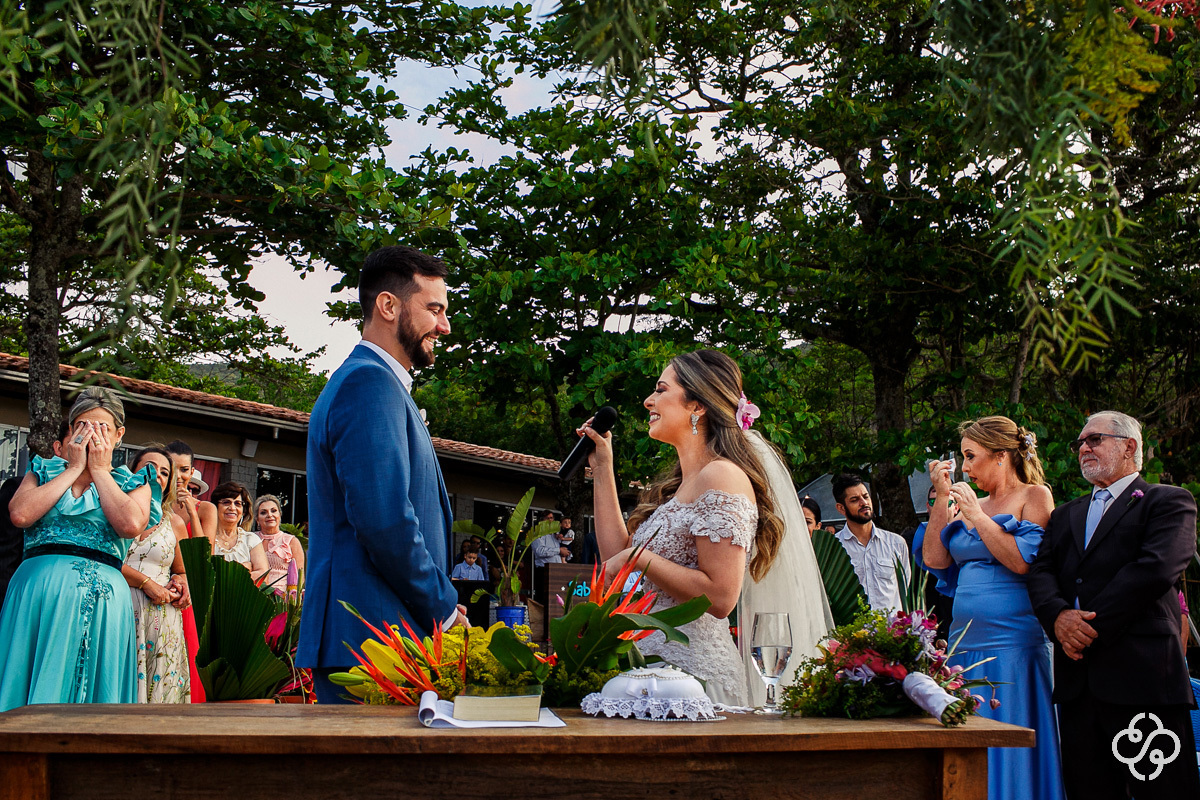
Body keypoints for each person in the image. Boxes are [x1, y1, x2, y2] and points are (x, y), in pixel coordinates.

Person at [581, 349, 832, 706]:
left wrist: (638, 558)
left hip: (693, 681)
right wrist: (603, 467)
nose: (648, 400)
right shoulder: (682, 485)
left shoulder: (722, 476)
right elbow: (617, 556)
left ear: (697, 406)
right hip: (650, 671)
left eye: (661, 389)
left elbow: (720, 598)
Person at [298, 245, 466, 705]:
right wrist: (444, 608)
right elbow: (385, 519)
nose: (444, 326)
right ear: (388, 306)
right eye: (434, 309)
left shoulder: (378, 382)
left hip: (379, 637)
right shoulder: (368, 383)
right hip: (372, 639)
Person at [1028, 411, 1199, 800]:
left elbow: (1154, 570)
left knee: (1163, 793)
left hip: (1143, 680)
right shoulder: (1065, 514)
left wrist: (1085, 627)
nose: (1083, 448)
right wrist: (1057, 618)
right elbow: (1041, 572)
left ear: (1129, 446)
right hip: (1078, 685)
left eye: (1094, 439)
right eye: (1080, 443)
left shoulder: (1168, 502)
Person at [916, 416, 1062, 800]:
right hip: (966, 643)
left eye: (970, 456)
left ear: (1000, 456)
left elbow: (1023, 562)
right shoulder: (966, 502)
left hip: (1015, 643)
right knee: (970, 740)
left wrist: (977, 516)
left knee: (1012, 737)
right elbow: (935, 559)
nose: (964, 467)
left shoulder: (1035, 496)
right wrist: (943, 497)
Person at [0, 388, 161, 711]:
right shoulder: (42, 471)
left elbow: (130, 524)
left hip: (103, 599)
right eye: (83, 426)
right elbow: (20, 514)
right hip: (36, 596)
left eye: (102, 428)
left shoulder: (136, 483)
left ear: (118, 436)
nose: (92, 436)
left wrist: (100, 472)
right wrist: (73, 469)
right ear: (71, 431)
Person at [121, 445, 190, 703]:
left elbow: (181, 570)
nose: (157, 475)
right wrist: (145, 583)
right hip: (119, 607)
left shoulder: (174, 523)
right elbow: (105, 559)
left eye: (164, 472)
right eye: (149, 467)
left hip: (161, 616)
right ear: (132, 471)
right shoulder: (112, 510)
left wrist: (182, 584)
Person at [832, 473, 910, 611]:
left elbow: (904, 589)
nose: (864, 503)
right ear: (841, 508)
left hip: (890, 630)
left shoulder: (896, 544)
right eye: (855, 500)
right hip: (851, 630)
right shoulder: (834, 548)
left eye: (865, 496)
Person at [209, 482, 268, 580]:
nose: (232, 508)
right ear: (215, 507)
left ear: (243, 511)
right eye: (226, 502)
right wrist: (244, 569)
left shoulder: (251, 540)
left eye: (238, 504)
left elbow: (263, 576)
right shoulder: (207, 537)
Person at [164, 441, 216, 541]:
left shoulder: (206, 509)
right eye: (172, 469)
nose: (178, 476)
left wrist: (192, 513)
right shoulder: (153, 503)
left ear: (191, 472)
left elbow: (206, 553)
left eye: (184, 469)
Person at [254, 494, 305, 595]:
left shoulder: (292, 541)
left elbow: (300, 577)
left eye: (273, 511)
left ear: (280, 515)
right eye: (263, 512)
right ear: (257, 519)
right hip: (256, 597)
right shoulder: (250, 539)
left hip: (284, 599)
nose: (269, 515)